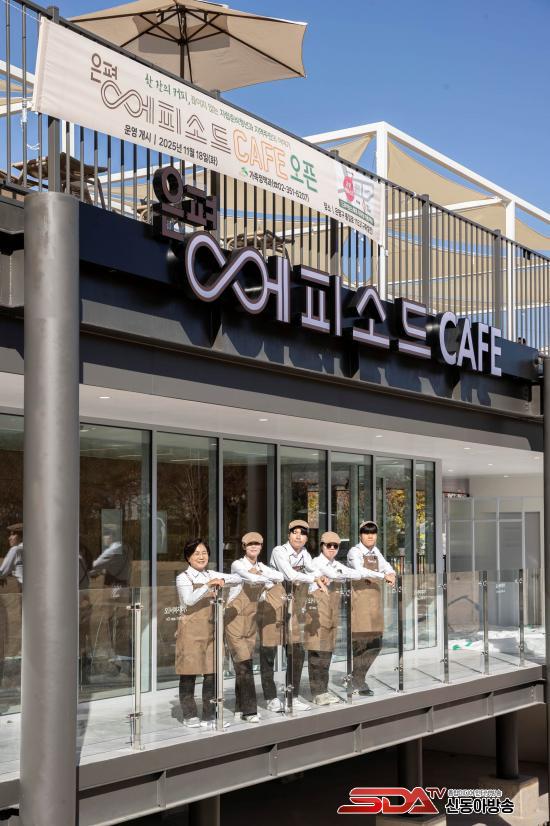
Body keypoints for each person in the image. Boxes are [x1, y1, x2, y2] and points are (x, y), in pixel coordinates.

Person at [175, 538, 241, 728]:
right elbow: (188, 600)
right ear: (188, 557)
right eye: (196, 553)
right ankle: (189, 715)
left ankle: (209, 716)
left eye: (204, 553)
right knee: (188, 674)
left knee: (211, 675)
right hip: (190, 632)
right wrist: (208, 586)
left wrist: (222, 583)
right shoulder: (183, 578)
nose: (201, 557)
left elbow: (238, 579)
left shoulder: (211, 573)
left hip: (211, 630)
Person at [304, 531, 372, 705]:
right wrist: (341, 573)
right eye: (329, 545)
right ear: (322, 546)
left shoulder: (336, 564)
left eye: (336, 546)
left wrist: (341, 572)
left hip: (331, 612)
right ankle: (318, 693)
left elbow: (357, 574)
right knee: (317, 652)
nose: (332, 548)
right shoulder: (316, 562)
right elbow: (336, 575)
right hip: (316, 612)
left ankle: (323, 690)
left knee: (327, 652)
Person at [270, 520, 329, 712]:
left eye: (302, 533)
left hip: (291, 609)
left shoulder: (304, 554)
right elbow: (290, 575)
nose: (298, 536)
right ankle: (270, 698)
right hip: (271, 608)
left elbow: (314, 569)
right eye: (294, 532)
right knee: (268, 655)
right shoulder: (279, 551)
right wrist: (315, 579)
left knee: (296, 653)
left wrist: (322, 576)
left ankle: (292, 696)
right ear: (288, 535)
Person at [226, 532, 284, 722]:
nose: (254, 546)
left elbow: (280, 576)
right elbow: (250, 578)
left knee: (243, 664)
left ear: (261, 546)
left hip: (250, 622)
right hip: (234, 620)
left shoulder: (261, 567)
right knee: (244, 664)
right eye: (250, 543)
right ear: (244, 546)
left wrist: (263, 574)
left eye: (257, 543)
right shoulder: (238, 564)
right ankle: (250, 711)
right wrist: (265, 577)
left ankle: (239, 706)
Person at [347, 520, 396, 696]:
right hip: (359, 602)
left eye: (373, 533)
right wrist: (383, 576)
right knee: (360, 643)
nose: (370, 536)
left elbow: (387, 566)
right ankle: (358, 681)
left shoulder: (376, 552)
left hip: (374, 603)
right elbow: (361, 571)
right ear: (360, 534)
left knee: (376, 643)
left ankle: (356, 677)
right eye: (366, 532)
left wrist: (391, 573)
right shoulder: (355, 552)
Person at [0, 523, 23, 591]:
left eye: (13, 534)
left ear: (22, 537)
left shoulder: (16, 550)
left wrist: (2, 577)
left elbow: (2, 572)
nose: (9, 538)